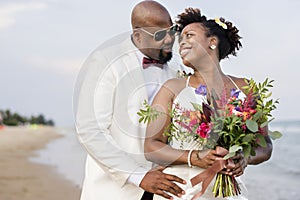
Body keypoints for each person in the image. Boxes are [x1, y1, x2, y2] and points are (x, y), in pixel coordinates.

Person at [144, 8, 273, 200]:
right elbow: (151, 147)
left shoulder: (246, 88)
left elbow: (265, 145)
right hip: (182, 190)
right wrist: (194, 157)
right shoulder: (172, 88)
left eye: (189, 36)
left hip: (226, 191)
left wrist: (245, 159)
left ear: (212, 42)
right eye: (180, 40)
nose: (182, 43)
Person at [74, 1, 193, 199]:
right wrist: (139, 176)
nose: (170, 39)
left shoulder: (177, 72)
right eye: (160, 35)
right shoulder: (105, 61)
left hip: (165, 190)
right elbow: (90, 130)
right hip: (115, 191)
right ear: (138, 35)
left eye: (172, 30)